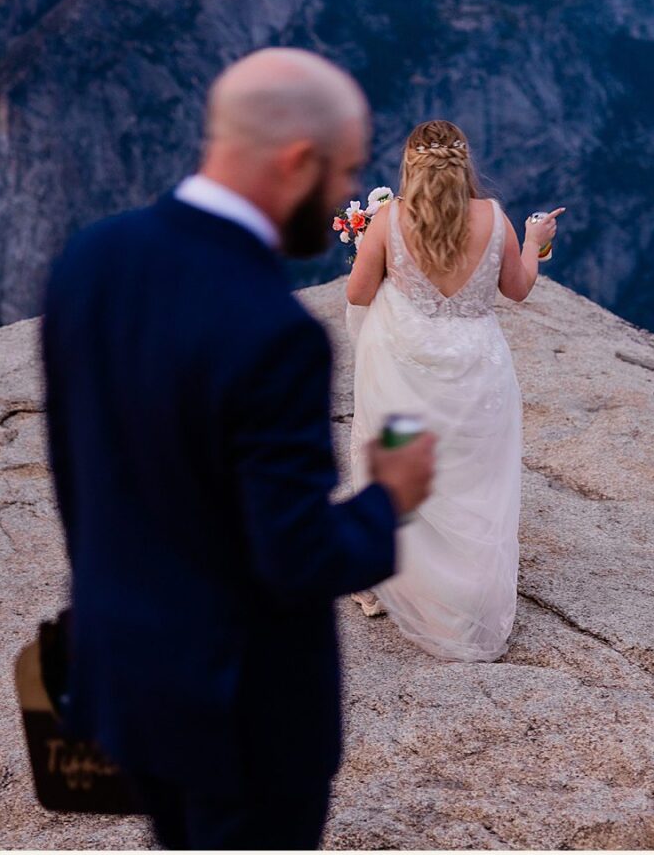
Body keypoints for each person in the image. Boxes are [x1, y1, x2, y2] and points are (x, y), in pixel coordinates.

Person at [39, 47, 438, 849]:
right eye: (344, 172)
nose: (346, 196)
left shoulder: (92, 259)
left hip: (124, 680)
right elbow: (297, 558)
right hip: (243, 724)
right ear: (297, 161)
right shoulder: (272, 333)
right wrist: (389, 495)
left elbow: (83, 471)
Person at [344, 119, 564, 661]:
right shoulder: (494, 218)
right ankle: (464, 597)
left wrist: (374, 249)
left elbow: (358, 290)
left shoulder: (390, 220)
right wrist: (537, 242)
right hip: (475, 367)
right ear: (463, 163)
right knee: (471, 478)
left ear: (409, 168)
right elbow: (516, 289)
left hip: (404, 367)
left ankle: (381, 577)